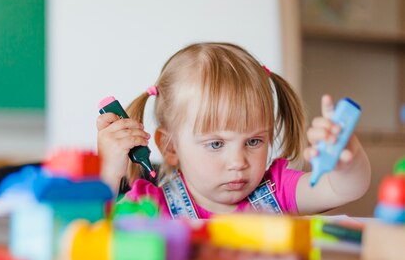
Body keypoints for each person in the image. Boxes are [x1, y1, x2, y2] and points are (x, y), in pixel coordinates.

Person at [96, 42, 371, 218]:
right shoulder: (152, 206)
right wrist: (110, 171)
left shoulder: (277, 188)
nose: (239, 163)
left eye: (253, 141)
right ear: (170, 147)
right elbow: (93, 231)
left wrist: (346, 156)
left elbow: (344, 189)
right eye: (216, 144)